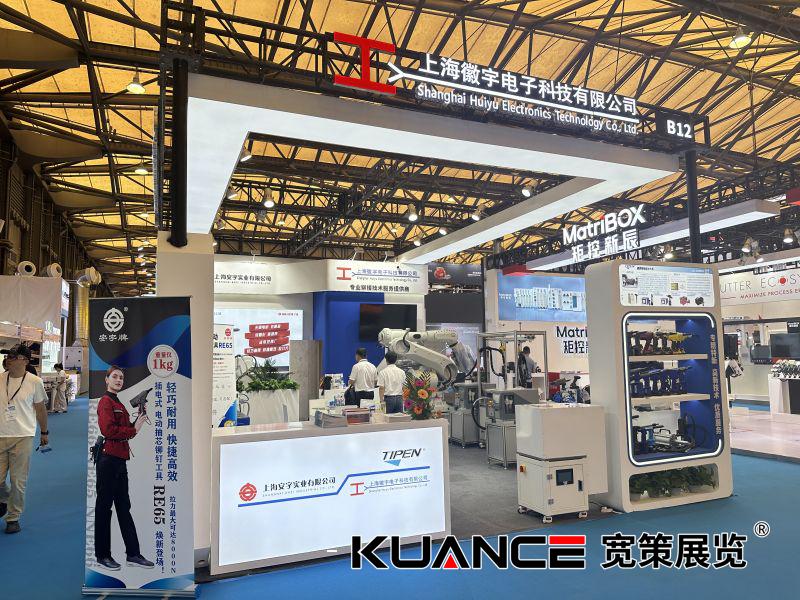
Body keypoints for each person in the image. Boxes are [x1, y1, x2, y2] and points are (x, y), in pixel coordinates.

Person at [94, 365, 153, 571]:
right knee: (104, 508)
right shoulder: (105, 402)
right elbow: (108, 430)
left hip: (119, 460)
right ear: (107, 379)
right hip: (108, 460)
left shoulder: (118, 402)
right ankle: (103, 555)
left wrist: (137, 422)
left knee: (123, 507)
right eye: (115, 377)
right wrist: (133, 430)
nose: (119, 380)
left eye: (121, 377)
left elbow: (126, 429)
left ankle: (133, 554)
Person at [0, 344, 48, 534]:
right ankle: (4, 499)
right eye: (8, 356)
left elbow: (41, 409)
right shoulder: (0, 379)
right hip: (1, 435)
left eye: (14, 356)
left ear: (25, 361)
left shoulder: (34, 382)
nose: (9, 359)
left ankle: (13, 517)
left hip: (23, 436)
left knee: (18, 480)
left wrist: (44, 432)